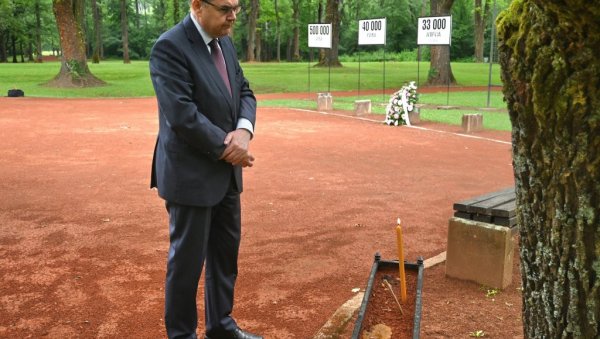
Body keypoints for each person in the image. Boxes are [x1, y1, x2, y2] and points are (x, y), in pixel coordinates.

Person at [149, 0, 262, 338]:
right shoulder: (170, 47)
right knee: (186, 265)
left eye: (238, 8)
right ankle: (182, 335)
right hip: (190, 177)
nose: (233, 16)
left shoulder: (224, 41)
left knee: (225, 259)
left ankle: (221, 327)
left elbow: (244, 90)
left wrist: (244, 130)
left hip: (226, 176)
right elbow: (182, 115)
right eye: (226, 8)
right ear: (197, 5)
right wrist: (230, 148)